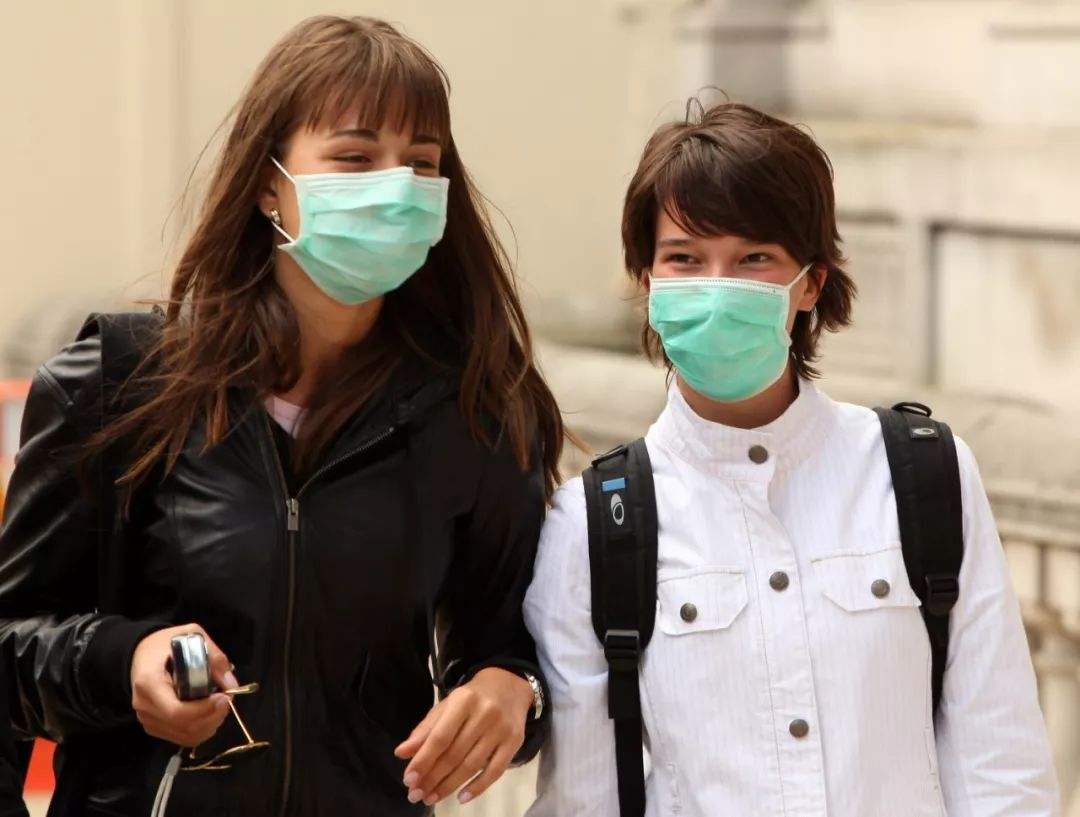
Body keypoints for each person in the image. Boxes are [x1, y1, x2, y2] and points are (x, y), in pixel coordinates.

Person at [0, 15, 564, 816]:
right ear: (270, 184)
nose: (394, 187)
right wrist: (123, 661)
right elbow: (11, 645)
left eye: (421, 163)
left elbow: (512, 643)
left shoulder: (475, 411)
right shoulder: (121, 382)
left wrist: (513, 687)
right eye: (355, 157)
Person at [524, 101, 1061, 816]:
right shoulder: (592, 523)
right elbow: (582, 800)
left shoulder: (926, 476)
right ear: (647, 285)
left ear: (811, 283)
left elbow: (1003, 768)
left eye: (754, 258)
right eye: (685, 258)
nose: (718, 285)